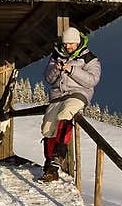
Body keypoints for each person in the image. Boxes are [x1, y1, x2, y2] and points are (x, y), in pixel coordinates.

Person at [40, 26, 101, 181]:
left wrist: (71, 69)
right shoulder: (56, 56)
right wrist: (58, 69)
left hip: (79, 93)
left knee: (66, 113)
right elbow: (48, 78)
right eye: (66, 44)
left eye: (71, 44)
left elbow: (92, 80)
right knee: (47, 127)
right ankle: (49, 164)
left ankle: (58, 157)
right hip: (57, 96)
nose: (67, 47)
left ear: (78, 43)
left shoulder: (90, 58)